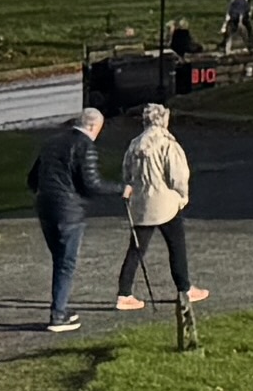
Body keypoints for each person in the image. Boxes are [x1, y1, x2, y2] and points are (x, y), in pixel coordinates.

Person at [30, 106, 121, 333]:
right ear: (92, 126)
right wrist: (122, 189)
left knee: (59, 261)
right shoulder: (84, 146)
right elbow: (92, 185)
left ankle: (60, 309)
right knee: (66, 263)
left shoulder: (51, 142)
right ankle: (58, 315)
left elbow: (33, 178)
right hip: (68, 211)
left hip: (46, 207)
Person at [113, 101, 204, 316]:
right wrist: (182, 197)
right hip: (165, 203)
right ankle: (184, 288)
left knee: (136, 249)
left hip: (141, 203)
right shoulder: (167, 143)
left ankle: (124, 293)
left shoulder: (135, 144)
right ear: (163, 119)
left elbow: (126, 173)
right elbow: (178, 175)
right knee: (176, 246)